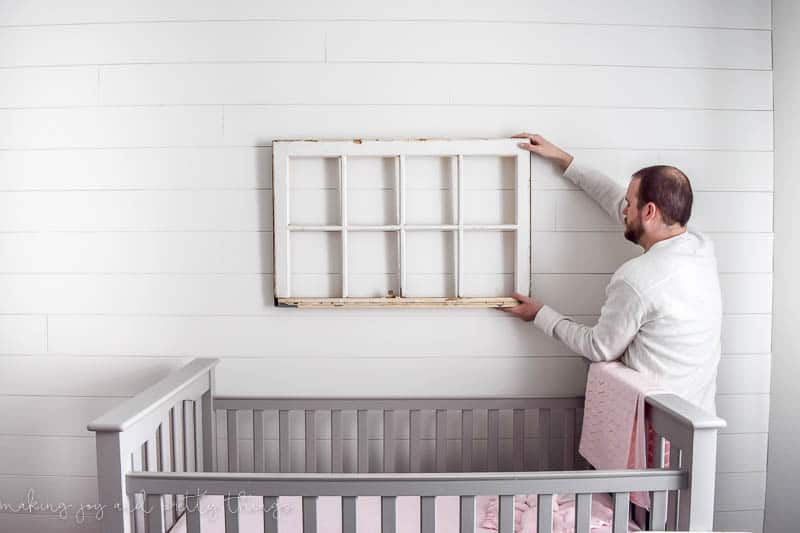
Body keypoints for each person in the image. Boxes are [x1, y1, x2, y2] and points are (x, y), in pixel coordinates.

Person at [504, 133, 722, 415]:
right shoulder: (701, 247)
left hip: (658, 423)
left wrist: (540, 314)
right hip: (699, 414)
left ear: (649, 212)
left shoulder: (638, 279)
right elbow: (614, 199)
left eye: (630, 204)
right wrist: (564, 159)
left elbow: (599, 348)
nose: (624, 209)